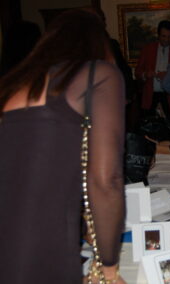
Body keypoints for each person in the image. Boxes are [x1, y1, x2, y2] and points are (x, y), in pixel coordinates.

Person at [0, 10, 126, 284]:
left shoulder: (12, 87)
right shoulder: (97, 75)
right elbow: (106, 181)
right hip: (38, 251)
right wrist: (108, 268)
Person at [135, 20, 170, 117]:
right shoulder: (147, 49)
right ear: (158, 35)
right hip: (150, 96)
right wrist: (145, 74)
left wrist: (168, 76)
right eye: (164, 36)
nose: (167, 40)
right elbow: (137, 72)